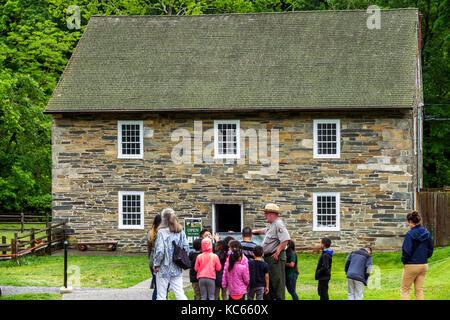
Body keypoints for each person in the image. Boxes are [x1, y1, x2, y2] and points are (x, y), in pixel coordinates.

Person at [253, 203, 291, 300]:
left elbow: (286, 239)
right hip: (269, 258)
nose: (265, 215)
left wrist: (277, 251)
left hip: (275, 258)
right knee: (269, 282)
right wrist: (255, 231)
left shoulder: (278, 224)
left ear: (272, 214)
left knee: (277, 282)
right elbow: (265, 230)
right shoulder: (272, 224)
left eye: (266, 213)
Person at [153, 207, 189, 300]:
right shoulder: (181, 231)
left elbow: (160, 251)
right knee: (180, 293)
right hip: (177, 266)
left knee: (161, 295)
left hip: (163, 268)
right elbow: (186, 248)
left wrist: (156, 264)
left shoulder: (161, 232)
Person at [400, 211, 433, 300]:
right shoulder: (427, 233)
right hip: (423, 264)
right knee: (419, 290)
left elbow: (406, 251)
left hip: (411, 264)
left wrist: (404, 260)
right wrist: (424, 257)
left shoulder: (410, 234)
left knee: (405, 290)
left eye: (408, 222)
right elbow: (430, 249)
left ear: (410, 221)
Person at [147, 214, 162, 300]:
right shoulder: (162, 233)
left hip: (152, 261)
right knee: (161, 287)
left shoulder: (150, 233)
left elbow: (149, 248)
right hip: (159, 262)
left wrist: (150, 258)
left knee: (157, 284)